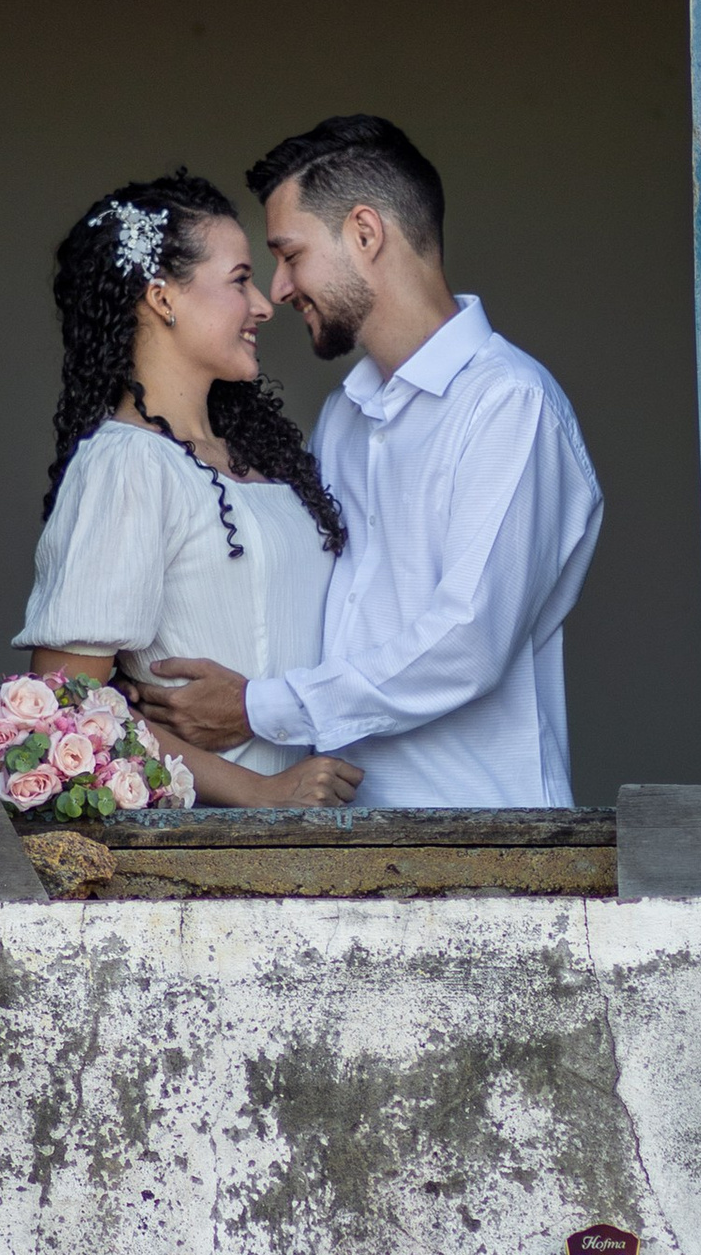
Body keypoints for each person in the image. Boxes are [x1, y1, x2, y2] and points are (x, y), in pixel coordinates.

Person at [137, 116, 603, 809]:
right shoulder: (343, 418)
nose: (280, 287)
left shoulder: (508, 404)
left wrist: (259, 707)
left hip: (485, 833)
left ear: (364, 232)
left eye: (290, 253)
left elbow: (468, 638)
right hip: (339, 833)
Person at [15, 172, 365, 809]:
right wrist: (262, 792)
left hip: (320, 824)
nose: (263, 304)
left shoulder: (265, 460)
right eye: (239, 281)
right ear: (161, 297)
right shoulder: (127, 464)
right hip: (210, 839)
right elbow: (65, 705)